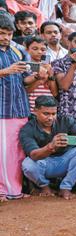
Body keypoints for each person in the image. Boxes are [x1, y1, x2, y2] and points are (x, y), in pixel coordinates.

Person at [20, 96, 76, 200]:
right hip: (43, 163)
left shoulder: (66, 120)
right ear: (35, 111)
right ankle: (44, 187)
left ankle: (66, 187)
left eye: (53, 114)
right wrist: (50, 146)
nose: (50, 118)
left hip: (65, 161)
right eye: (46, 113)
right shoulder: (27, 129)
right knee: (27, 164)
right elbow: (34, 155)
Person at [0, 12, 38, 201]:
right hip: (2, 110)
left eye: (8, 33)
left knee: (17, 153)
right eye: (1, 33)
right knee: (4, 154)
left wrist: (38, 77)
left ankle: (14, 190)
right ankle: (5, 191)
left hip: (20, 108)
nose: (5, 38)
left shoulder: (18, 51)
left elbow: (26, 79)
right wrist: (5, 71)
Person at [24, 36, 57, 111]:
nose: (39, 52)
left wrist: (51, 75)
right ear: (27, 49)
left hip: (48, 107)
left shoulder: (49, 67)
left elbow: (54, 93)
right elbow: (26, 91)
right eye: (35, 49)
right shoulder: (25, 66)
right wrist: (40, 80)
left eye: (43, 49)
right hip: (32, 108)